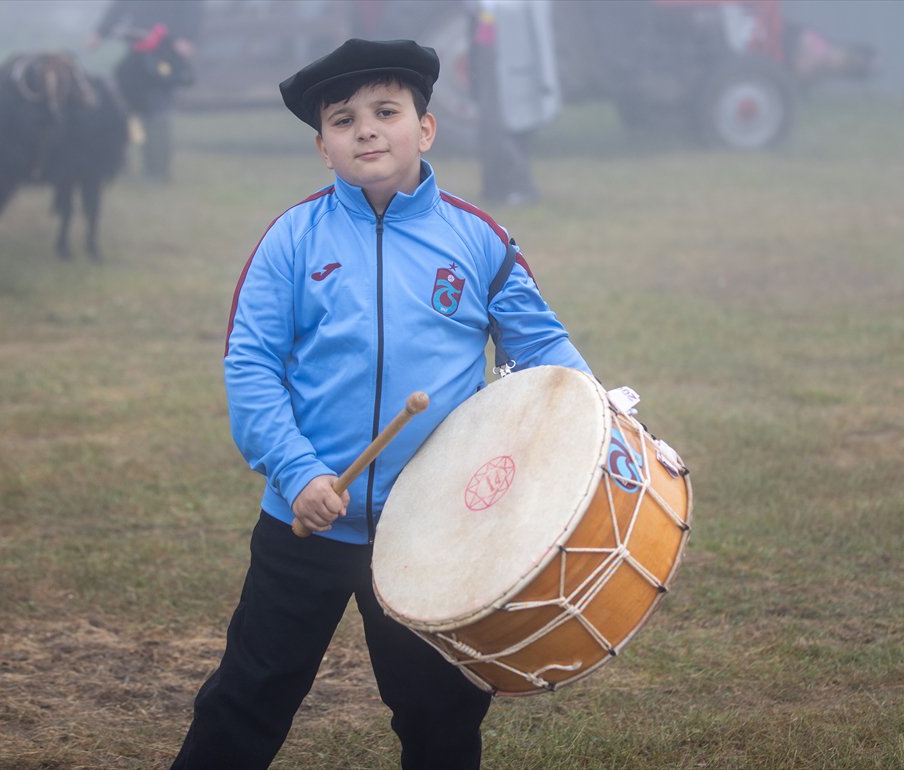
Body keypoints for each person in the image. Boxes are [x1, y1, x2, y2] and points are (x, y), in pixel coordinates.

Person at [171, 38, 590, 770]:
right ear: (323, 148)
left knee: (440, 714)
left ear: (424, 129)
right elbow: (252, 365)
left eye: (386, 111)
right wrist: (298, 472)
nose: (365, 129)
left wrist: (599, 427)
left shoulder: (478, 239)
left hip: (432, 533)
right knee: (249, 695)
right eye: (343, 119)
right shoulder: (291, 241)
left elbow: (544, 350)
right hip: (304, 525)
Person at [85, 0, 202, 183]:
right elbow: (119, 6)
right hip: (137, 52)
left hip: (165, 51)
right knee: (130, 111)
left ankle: (158, 171)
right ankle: (128, 163)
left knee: (158, 112)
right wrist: (101, 32)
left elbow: (192, 7)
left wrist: (186, 37)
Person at [467, 0, 561, 206]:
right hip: (488, 41)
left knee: (510, 124)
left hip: (515, 64)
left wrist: (545, 77)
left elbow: (539, 34)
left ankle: (519, 186)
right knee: (490, 123)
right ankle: (495, 186)